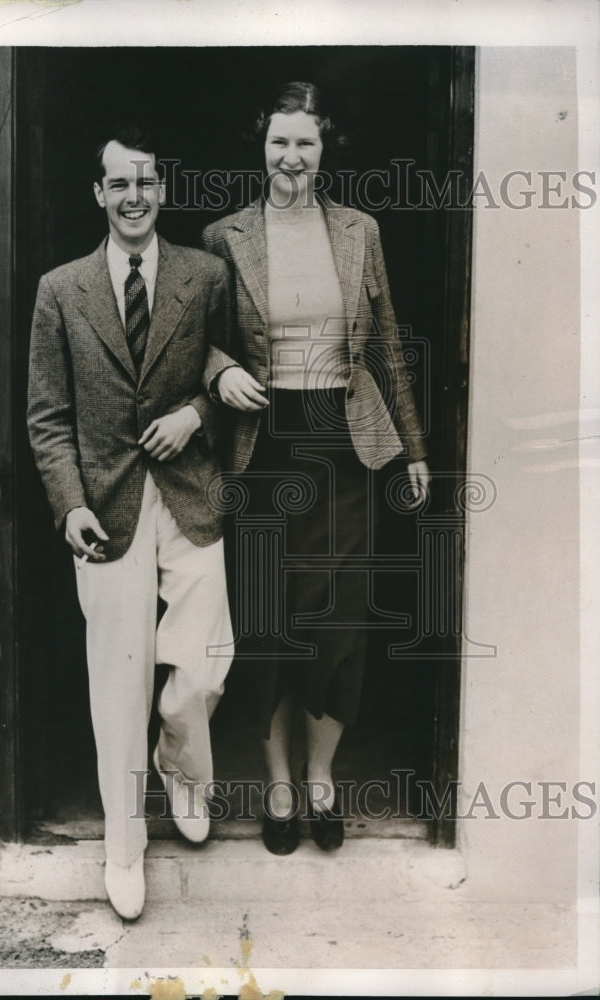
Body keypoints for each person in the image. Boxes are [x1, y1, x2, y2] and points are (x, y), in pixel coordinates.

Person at [202, 82, 430, 855]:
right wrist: (216, 369)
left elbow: (387, 344)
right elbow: (191, 339)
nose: (290, 157)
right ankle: (275, 785)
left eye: (303, 142)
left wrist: (416, 447)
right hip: (262, 446)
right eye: (277, 143)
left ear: (323, 148)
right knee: (266, 623)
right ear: (259, 148)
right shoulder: (225, 236)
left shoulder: (359, 231)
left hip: (343, 444)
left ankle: (321, 780)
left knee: (337, 626)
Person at [27, 125, 234, 920]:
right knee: (116, 681)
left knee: (206, 662)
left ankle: (181, 762)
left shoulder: (204, 275)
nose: (134, 196)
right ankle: (124, 846)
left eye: (145, 181)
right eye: (119, 184)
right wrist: (69, 502)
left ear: (163, 190)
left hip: (188, 492)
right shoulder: (61, 289)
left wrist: (193, 414)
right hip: (104, 506)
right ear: (98, 195)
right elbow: (47, 417)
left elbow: (230, 369)